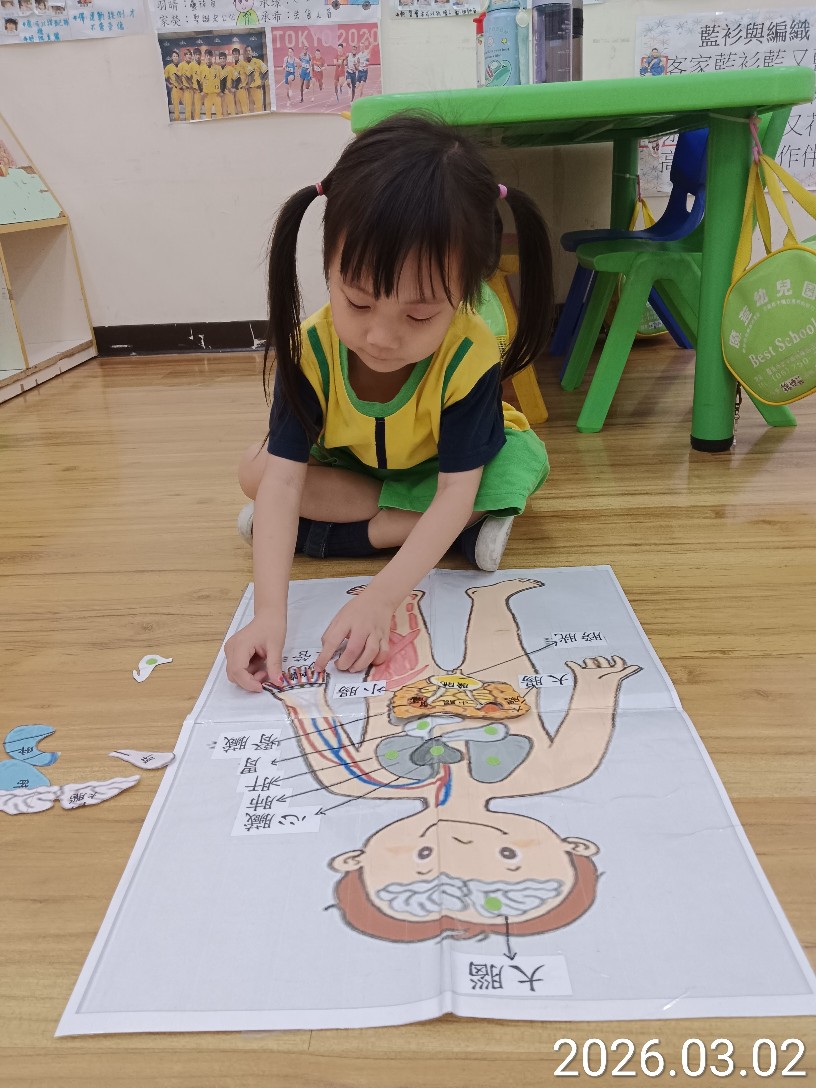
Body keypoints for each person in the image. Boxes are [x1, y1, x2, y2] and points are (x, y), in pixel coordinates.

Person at [225, 115, 554, 690]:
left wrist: (380, 599)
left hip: (441, 477)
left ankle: (347, 532)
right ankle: (430, 532)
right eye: (357, 302)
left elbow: (455, 491)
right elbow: (283, 481)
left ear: (468, 292)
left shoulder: (469, 355)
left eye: (419, 315)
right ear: (328, 267)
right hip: (356, 470)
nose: (380, 337)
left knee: (502, 477)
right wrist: (268, 614)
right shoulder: (312, 348)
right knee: (257, 471)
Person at [262, 578, 641, 942]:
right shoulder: (554, 774)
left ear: (353, 859)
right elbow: (584, 731)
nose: (462, 842)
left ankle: (401, 603)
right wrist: (598, 687)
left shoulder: (361, 783)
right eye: (508, 855)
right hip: (499, 693)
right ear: (575, 846)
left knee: (402, 648)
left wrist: (305, 701)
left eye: (422, 858)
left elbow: (326, 748)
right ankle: (488, 601)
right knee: (499, 648)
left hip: (406, 692)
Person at [200, 49, 223, 119]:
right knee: (208, 115)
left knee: (219, 114)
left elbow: (223, 80)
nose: (208, 57)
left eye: (210, 56)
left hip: (216, 94)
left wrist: (222, 91)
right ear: (205, 57)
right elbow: (198, 81)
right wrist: (201, 91)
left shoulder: (218, 68)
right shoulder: (201, 69)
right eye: (207, 56)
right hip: (207, 95)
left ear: (212, 57)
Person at [244, 44, 268, 112]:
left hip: (256, 88)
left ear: (252, 52)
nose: (248, 52)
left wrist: (262, 82)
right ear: (245, 53)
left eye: (249, 51)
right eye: (246, 51)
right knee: (250, 108)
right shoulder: (243, 64)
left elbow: (266, 72)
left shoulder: (258, 62)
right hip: (248, 90)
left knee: (259, 108)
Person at [164, 49, 183, 122]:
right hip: (175, 89)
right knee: (176, 108)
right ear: (171, 57)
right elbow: (164, 78)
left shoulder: (181, 66)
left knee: (187, 105)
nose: (175, 57)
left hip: (183, 89)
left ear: (178, 57)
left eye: (176, 56)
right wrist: (169, 84)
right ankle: (177, 121)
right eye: (174, 56)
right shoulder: (168, 67)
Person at [230, 46, 249, 114]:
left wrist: (247, 85)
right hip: (236, 91)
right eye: (234, 54)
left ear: (239, 55)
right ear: (232, 55)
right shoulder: (232, 66)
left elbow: (251, 74)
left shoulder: (243, 64)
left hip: (242, 89)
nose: (235, 55)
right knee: (238, 110)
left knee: (245, 109)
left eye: (236, 54)